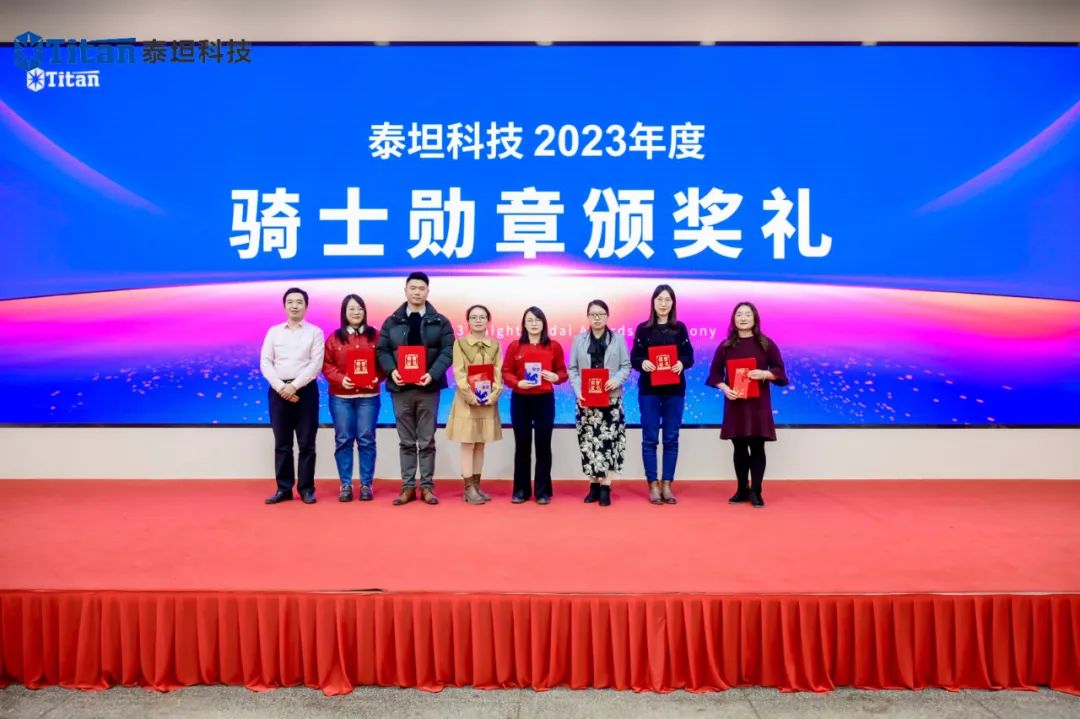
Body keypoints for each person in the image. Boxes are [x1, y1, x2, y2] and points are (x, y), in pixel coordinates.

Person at [376, 272, 454, 506]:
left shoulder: (440, 321)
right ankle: (408, 487)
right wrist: (392, 371)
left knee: (427, 440)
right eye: (413, 288)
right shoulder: (392, 321)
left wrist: (433, 374)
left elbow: (448, 350)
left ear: (427, 291)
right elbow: (382, 350)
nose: (417, 292)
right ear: (406, 290)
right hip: (401, 389)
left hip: (428, 388)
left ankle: (427, 487)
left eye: (421, 288)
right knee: (406, 441)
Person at [705, 301, 788, 508]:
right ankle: (742, 488)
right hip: (736, 404)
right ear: (733, 319)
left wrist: (765, 374)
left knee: (757, 446)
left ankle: (756, 491)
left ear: (755, 319)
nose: (743, 318)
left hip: (758, 404)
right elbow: (714, 374)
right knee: (739, 447)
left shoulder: (766, 344)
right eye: (739, 314)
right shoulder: (725, 346)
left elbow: (780, 371)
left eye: (747, 314)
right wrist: (725, 388)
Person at [259, 287, 325, 505]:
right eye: (290, 302)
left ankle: (306, 489)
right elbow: (265, 362)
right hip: (278, 392)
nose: (294, 306)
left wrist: (294, 386)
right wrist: (281, 387)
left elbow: (315, 364)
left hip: (305, 391)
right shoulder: (274, 332)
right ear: (284, 305)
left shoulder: (315, 332)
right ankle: (284, 488)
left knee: (307, 444)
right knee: (282, 443)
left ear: (306, 306)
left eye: (299, 302)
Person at [630, 284, 694, 505]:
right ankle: (653, 485)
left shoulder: (680, 328)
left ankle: (667, 484)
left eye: (667, 300)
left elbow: (689, 356)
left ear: (673, 303)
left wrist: (681, 363)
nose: (663, 304)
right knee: (649, 438)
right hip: (649, 391)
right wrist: (643, 363)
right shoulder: (643, 329)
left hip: (674, 390)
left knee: (671, 437)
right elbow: (634, 358)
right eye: (659, 299)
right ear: (653, 302)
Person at [567, 299, 631, 507]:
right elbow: (572, 369)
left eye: (601, 314)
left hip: (611, 400)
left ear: (607, 316)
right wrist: (579, 391)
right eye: (593, 314)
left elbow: (626, 366)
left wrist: (616, 380)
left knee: (609, 444)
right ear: (588, 316)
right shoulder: (579, 340)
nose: (597, 318)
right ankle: (593, 485)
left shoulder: (618, 339)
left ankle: (606, 487)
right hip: (586, 401)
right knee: (588, 443)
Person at [502, 307, 568, 505]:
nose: (534, 323)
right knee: (522, 445)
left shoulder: (553, 346)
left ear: (543, 323)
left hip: (544, 399)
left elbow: (562, 372)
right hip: (520, 399)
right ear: (524, 324)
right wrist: (517, 383)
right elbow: (506, 372)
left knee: (543, 445)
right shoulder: (515, 346)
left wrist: (556, 377)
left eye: (537, 320)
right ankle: (521, 490)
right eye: (529, 320)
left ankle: (542, 491)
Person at [322, 294, 383, 502]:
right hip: (341, 397)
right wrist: (341, 379)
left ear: (365, 311)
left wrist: (377, 377)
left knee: (366, 439)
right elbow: (327, 365)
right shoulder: (334, 338)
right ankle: (345, 485)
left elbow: (385, 362)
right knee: (343, 439)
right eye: (351, 309)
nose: (356, 312)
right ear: (344, 313)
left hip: (369, 397)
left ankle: (366, 484)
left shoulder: (376, 336)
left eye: (359, 308)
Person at [445, 305, 504, 504]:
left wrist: (494, 394)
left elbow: (498, 371)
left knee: (480, 443)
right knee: (468, 443)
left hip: (487, 401)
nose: (478, 320)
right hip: (467, 401)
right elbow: (459, 373)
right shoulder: (460, 344)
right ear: (468, 321)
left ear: (488, 320)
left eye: (482, 317)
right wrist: (471, 396)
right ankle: (468, 488)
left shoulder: (495, 345)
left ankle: (477, 486)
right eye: (473, 317)